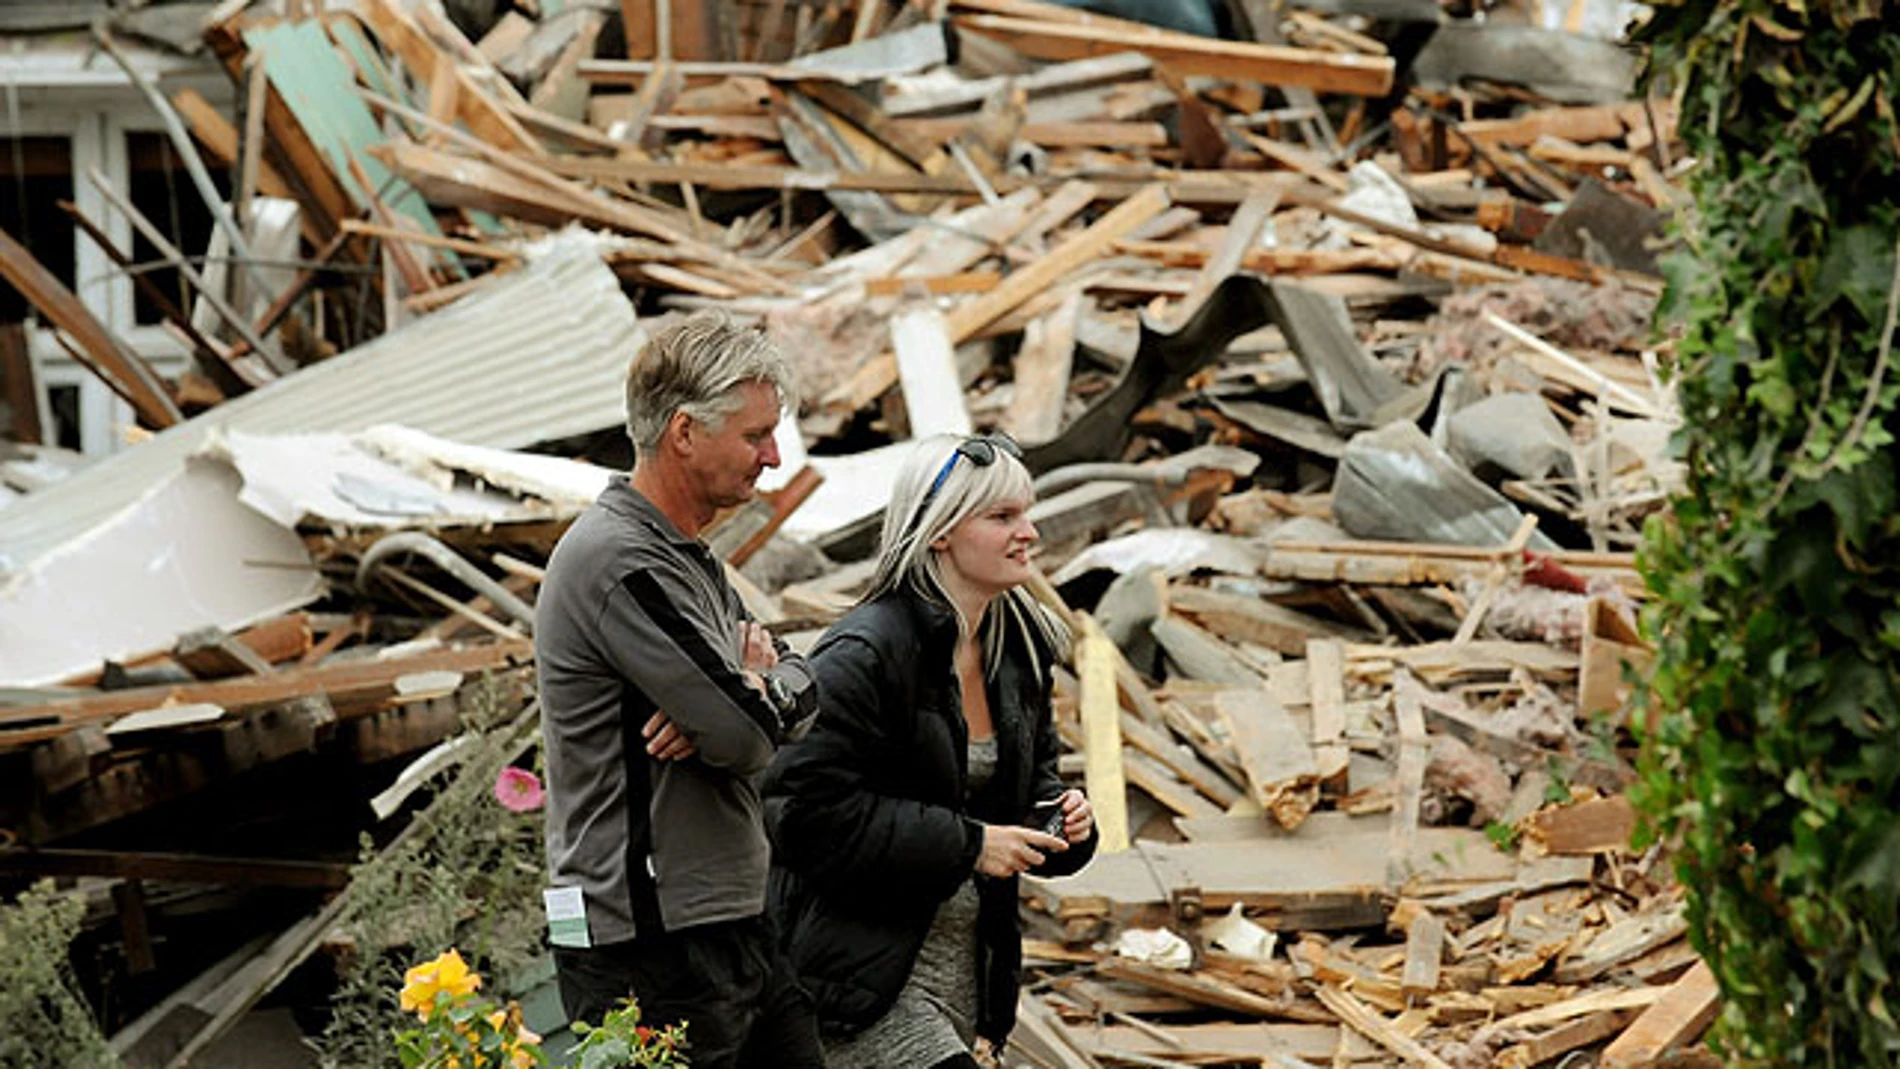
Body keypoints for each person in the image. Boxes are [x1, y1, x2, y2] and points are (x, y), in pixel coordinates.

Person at [535, 312, 824, 1068]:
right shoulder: (621, 560)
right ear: (686, 432)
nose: (772, 455)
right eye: (756, 435)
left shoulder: (683, 555)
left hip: (723, 921)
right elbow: (745, 736)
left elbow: (794, 678)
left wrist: (757, 684)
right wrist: (747, 695)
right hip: (651, 941)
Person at [763, 431, 1099, 1069]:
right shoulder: (864, 655)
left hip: (966, 982)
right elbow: (799, 813)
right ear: (940, 532)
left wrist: (1064, 826)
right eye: (1002, 517)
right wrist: (971, 844)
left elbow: (1029, 795)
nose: (1028, 532)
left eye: (1026, 512)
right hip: (862, 986)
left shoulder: (1018, 646)